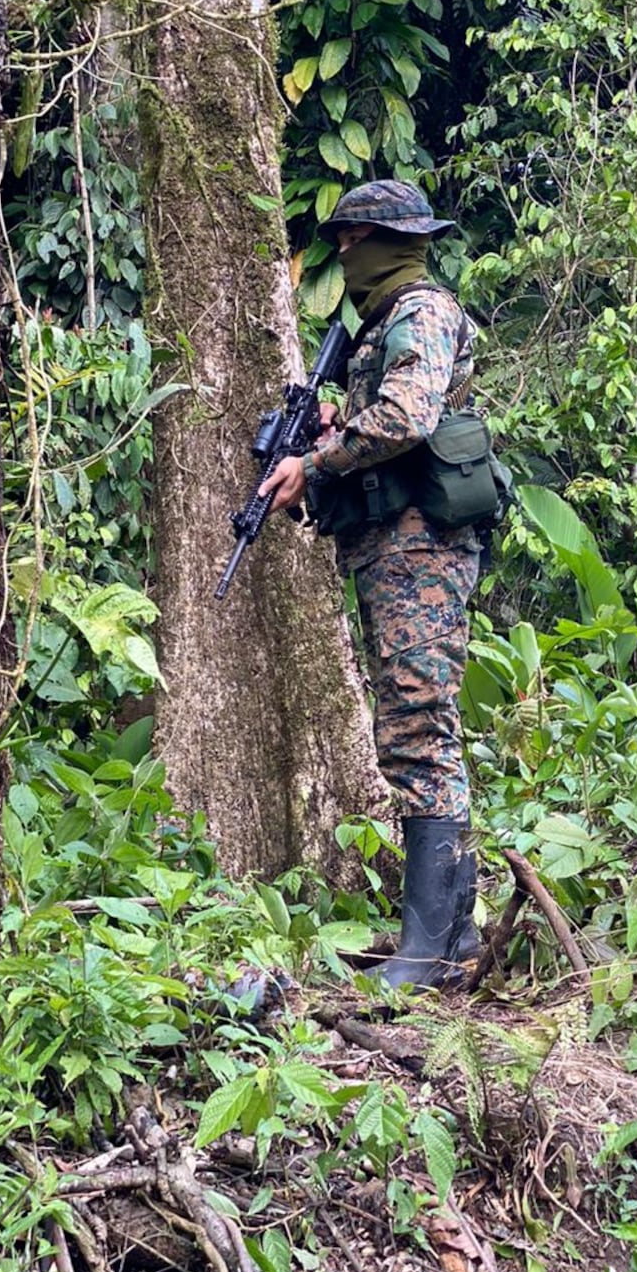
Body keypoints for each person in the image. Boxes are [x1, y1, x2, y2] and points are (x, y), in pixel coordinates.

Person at [259, 180, 480, 990]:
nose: (344, 258)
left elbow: (406, 420)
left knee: (419, 729)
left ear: (386, 242)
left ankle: (430, 949)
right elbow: (379, 420)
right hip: (396, 549)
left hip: (422, 551)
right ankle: (451, 935)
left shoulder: (420, 310)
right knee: (415, 730)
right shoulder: (386, 323)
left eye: (353, 243)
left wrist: (314, 461)